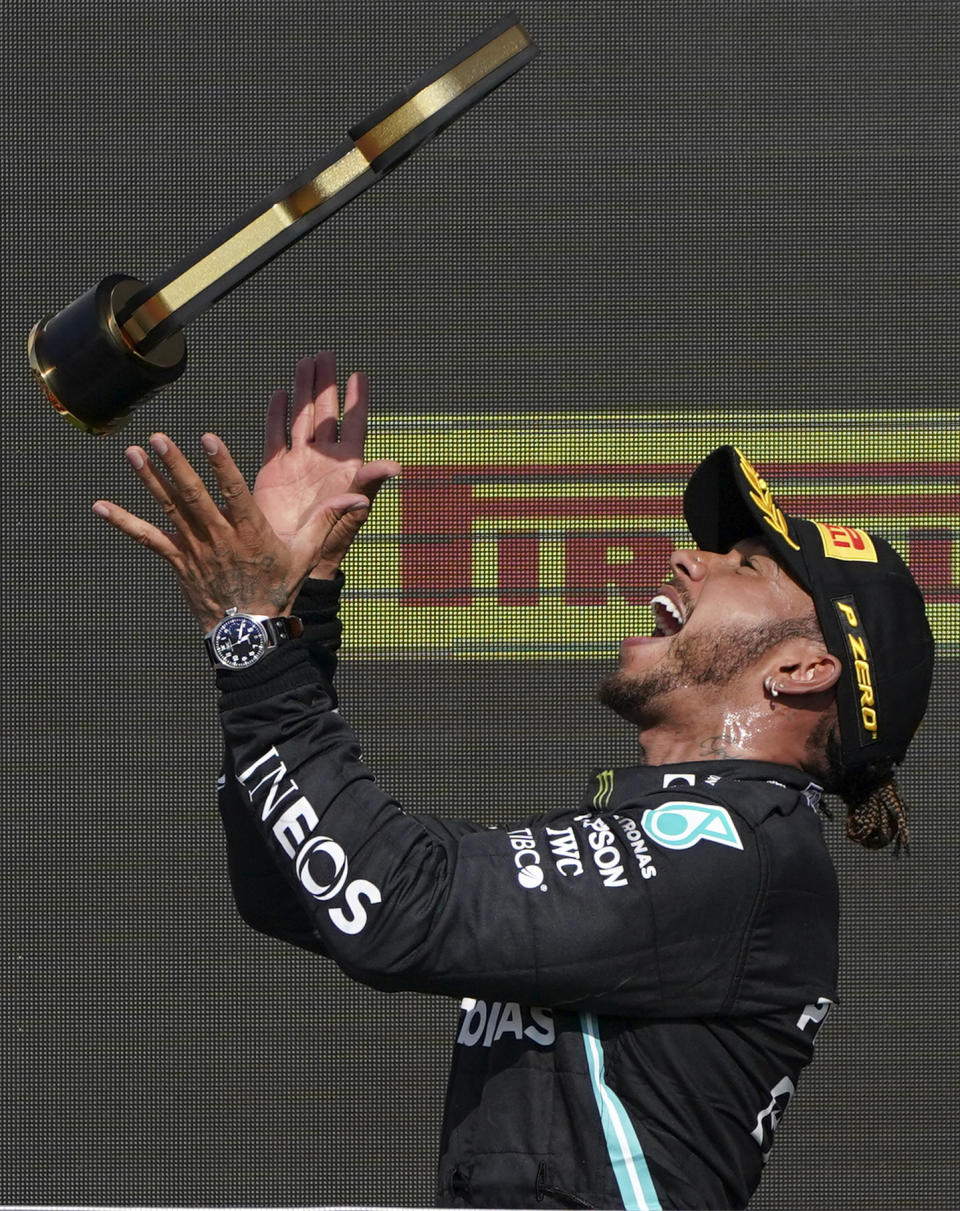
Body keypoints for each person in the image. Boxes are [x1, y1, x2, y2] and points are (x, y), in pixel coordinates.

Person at [94, 353, 934, 1211]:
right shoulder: (687, 841)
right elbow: (295, 884)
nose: (690, 560)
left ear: (804, 667)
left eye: (748, 566)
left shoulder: (739, 854)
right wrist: (299, 602)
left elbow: (390, 907)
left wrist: (258, 642)